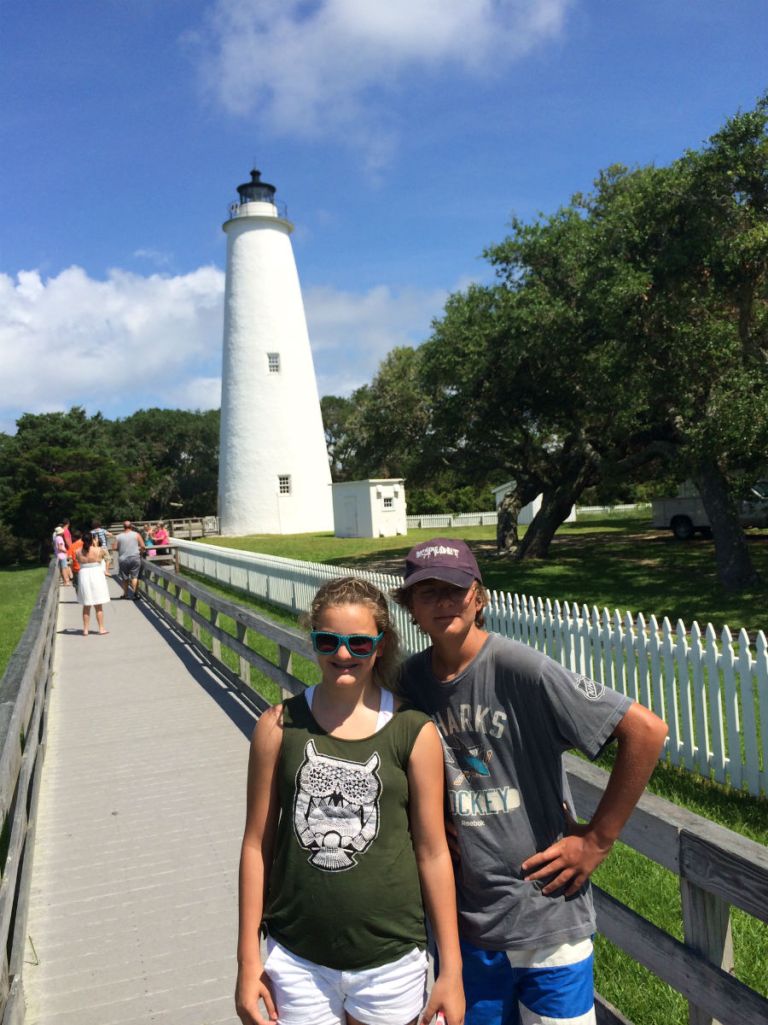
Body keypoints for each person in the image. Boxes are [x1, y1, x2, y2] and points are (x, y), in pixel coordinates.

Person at [393, 539, 668, 1025]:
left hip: (545, 911)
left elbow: (645, 731)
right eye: (426, 592)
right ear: (409, 608)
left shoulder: (522, 669)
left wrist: (598, 840)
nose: (442, 603)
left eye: (454, 589)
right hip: (467, 921)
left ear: (479, 597)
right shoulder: (411, 683)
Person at [236, 576, 465, 1025]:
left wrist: (451, 970)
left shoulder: (412, 731)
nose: (343, 654)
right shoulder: (277, 726)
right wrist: (247, 961)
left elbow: (433, 851)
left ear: (380, 646)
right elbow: (255, 846)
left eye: (360, 643)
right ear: (314, 641)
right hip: (297, 956)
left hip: (390, 958)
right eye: (329, 640)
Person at [76, 530, 110, 635]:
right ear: (92, 540)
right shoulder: (99, 550)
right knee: (98, 605)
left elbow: (78, 561)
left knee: (86, 605)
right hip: (96, 574)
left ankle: (85, 629)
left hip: (84, 575)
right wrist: (95, 544)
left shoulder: (77, 551)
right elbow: (106, 558)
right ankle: (101, 628)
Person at [115, 520, 146, 599]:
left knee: (125, 578)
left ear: (123, 527)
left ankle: (125, 594)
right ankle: (136, 594)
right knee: (134, 577)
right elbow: (143, 546)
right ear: (131, 526)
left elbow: (115, 547)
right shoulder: (137, 534)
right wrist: (141, 553)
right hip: (135, 558)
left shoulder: (118, 536)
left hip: (123, 559)